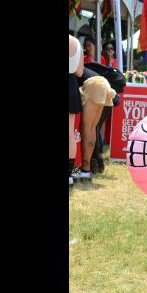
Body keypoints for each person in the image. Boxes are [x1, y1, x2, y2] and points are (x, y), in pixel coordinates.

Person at [69, 34, 84, 186]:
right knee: (70, 134)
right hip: (71, 85)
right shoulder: (76, 42)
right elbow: (79, 73)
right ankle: (69, 175)